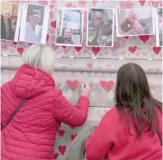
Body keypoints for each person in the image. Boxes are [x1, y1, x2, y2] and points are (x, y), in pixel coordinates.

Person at [1, 44, 91, 160]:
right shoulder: (53, 97)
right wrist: (84, 96)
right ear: (49, 65)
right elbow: (78, 119)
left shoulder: (5, 89)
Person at [85, 63, 162, 160]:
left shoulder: (113, 117)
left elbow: (93, 154)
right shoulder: (158, 110)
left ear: (120, 87)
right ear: (144, 84)